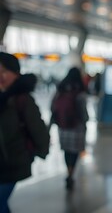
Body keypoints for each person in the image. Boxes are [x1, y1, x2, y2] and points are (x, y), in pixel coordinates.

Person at [0, 52, 50, 213]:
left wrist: (40, 152)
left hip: (12, 162)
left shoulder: (22, 99)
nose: (1, 76)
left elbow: (38, 129)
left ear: (16, 73)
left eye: (4, 71)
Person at [51, 67, 89, 190]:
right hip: (76, 127)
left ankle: (68, 170)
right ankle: (71, 173)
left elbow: (53, 107)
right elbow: (83, 111)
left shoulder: (60, 89)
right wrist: (85, 122)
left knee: (67, 150)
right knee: (75, 150)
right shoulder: (79, 91)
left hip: (63, 127)